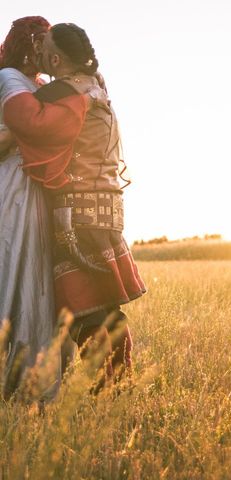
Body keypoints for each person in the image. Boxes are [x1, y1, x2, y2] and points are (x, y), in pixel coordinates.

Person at [3, 22, 146, 389]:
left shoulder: (60, 94)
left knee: (85, 309)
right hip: (104, 208)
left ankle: (109, 389)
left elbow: (27, 123)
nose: (36, 57)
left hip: (77, 216)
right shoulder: (96, 84)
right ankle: (118, 385)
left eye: (43, 50)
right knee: (102, 305)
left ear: (53, 58)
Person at [0, 16, 59, 400]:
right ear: (31, 45)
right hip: (14, 187)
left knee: (35, 278)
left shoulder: (34, 85)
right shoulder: (7, 79)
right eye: (44, 45)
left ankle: (32, 381)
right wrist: (30, 128)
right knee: (15, 269)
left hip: (36, 187)